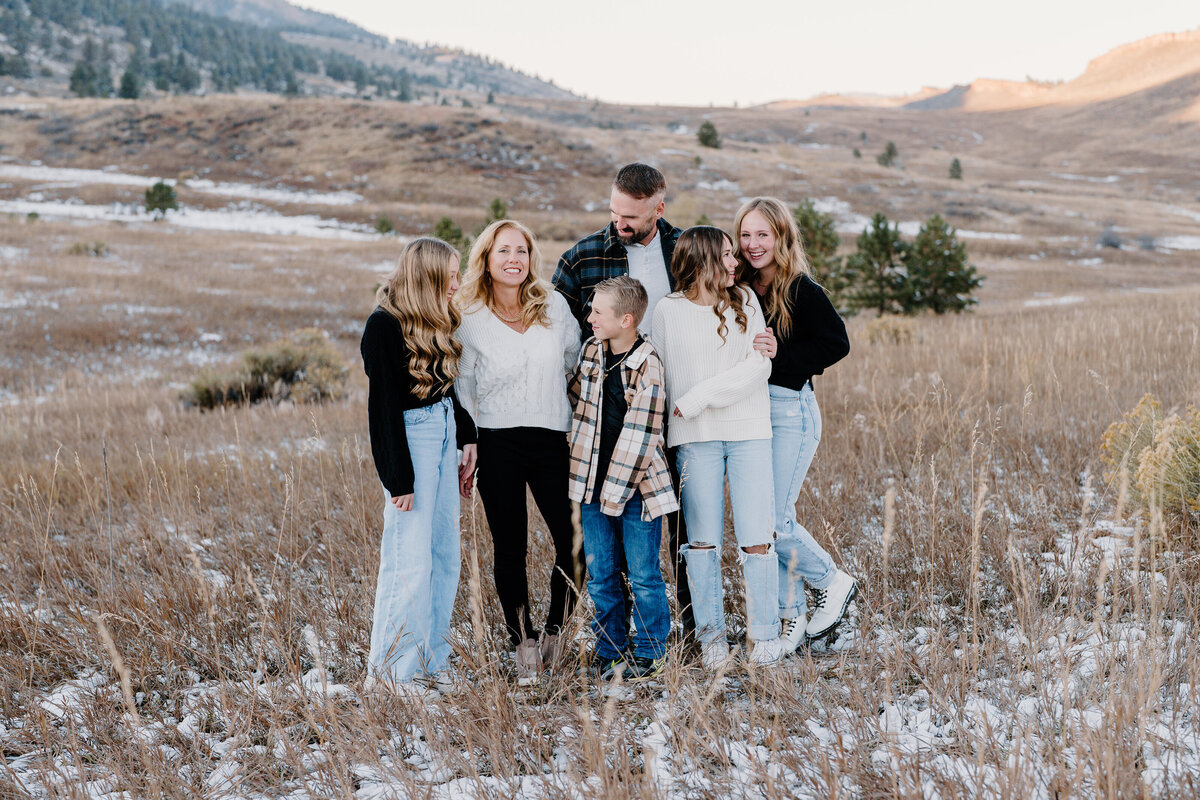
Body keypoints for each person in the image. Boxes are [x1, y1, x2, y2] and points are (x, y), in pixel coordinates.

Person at [651, 226, 790, 668]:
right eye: (727, 255)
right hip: (693, 439)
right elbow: (661, 373)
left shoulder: (745, 300)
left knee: (757, 539)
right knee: (701, 543)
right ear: (701, 260)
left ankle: (764, 636)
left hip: (749, 431)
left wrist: (696, 399)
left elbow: (759, 367)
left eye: (734, 254)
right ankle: (712, 639)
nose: (735, 262)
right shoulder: (667, 310)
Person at [455, 219, 583, 684]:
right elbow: (462, 387)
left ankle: (555, 631)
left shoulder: (553, 304)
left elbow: (575, 363)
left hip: (553, 439)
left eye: (521, 251)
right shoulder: (468, 315)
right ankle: (523, 640)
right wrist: (469, 443)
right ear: (486, 259)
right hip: (497, 440)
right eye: (503, 251)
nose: (514, 259)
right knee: (510, 546)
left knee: (577, 541)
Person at [735, 197, 857, 649]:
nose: (753, 244)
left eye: (762, 235)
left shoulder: (801, 289)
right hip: (750, 412)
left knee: (772, 521)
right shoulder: (741, 286)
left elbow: (836, 343)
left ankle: (831, 579)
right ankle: (793, 617)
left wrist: (781, 355)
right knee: (760, 522)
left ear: (781, 237)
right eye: (745, 235)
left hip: (790, 411)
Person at [360, 237, 477, 694]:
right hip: (412, 441)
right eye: (449, 276)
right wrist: (398, 479)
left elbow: (447, 388)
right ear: (425, 277)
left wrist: (466, 435)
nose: (457, 284)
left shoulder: (437, 317)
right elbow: (383, 410)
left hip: (443, 431)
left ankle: (432, 662)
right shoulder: (384, 326)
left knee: (444, 555)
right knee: (409, 558)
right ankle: (391, 674)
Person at [567, 276, 678, 681]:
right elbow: (577, 399)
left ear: (626, 319)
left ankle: (650, 651)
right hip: (592, 484)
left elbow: (641, 437)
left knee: (644, 575)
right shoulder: (591, 351)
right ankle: (610, 648)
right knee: (601, 574)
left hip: (637, 490)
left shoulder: (647, 363)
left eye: (598, 312)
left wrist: (612, 495)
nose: (590, 318)